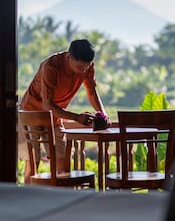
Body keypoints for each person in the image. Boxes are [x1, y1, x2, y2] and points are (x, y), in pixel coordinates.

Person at [18, 38, 111, 184]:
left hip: (56, 116)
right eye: (80, 67)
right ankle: (30, 198)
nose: (84, 70)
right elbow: (47, 105)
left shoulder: (88, 66)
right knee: (33, 159)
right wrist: (76, 117)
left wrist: (103, 114)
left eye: (87, 67)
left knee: (62, 160)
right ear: (68, 57)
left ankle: (59, 198)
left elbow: (92, 92)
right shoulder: (51, 66)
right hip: (32, 112)